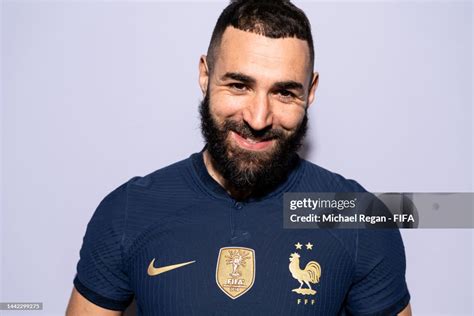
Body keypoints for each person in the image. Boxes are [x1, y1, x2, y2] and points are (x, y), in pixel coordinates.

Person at [66, 0, 412, 315]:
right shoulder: (129, 211)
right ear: (205, 74)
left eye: (285, 92)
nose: (258, 119)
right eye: (238, 85)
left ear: (311, 91)